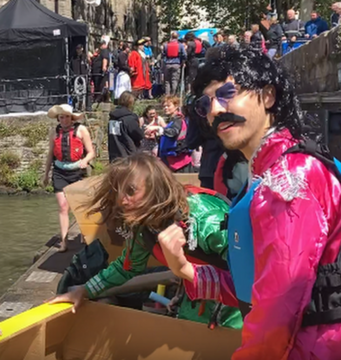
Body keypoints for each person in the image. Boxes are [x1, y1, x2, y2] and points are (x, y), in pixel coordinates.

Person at [161, 46, 341, 359]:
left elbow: (279, 304)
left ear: (268, 96)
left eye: (227, 93)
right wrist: (187, 270)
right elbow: (254, 285)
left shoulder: (289, 178)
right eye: (206, 103)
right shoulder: (264, 175)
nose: (215, 110)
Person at [48, 155, 243, 329]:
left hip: (233, 308)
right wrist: (84, 290)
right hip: (196, 298)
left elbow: (247, 278)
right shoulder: (144, 226)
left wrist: (184, 270)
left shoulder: (205, 219)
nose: (122, 201)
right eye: (118, 192)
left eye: (131, 191)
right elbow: (126, 267)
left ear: (155, 188)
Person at [43, 105, 95, 252]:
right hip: (60, 172)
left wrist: (85, 161)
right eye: (61, 117)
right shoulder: (54, 132)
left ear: (71, 117)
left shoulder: (81, 130)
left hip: (77, 171)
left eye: (66, 117)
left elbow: (91, 152)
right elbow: (50, 155)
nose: (64, 120)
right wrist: (46, 174)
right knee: (63, 207)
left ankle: (85, 236)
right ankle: (64, 241)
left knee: (79, 206)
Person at [146, 96, 192, 172]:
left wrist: (157, 128)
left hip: (179, 162)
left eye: (168, 105)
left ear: (176, 106)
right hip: (170, 161)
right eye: (164, 106)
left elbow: (173, 132)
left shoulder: (178, 120)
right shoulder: (172, 121)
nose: (165, 108)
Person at [108, 91, 143, 162]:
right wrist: (140, 126)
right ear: (131, 102)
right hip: (128, 155)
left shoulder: (112, 118)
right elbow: (138, 135)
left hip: (115, 155)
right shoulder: (129, 118)